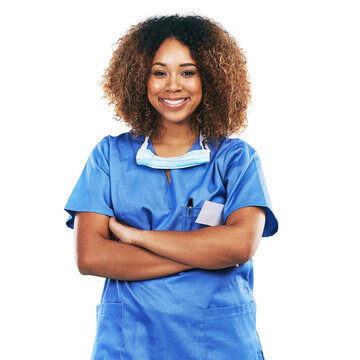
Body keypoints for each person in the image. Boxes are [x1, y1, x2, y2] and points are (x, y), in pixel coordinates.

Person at [65, 14, 278, 360]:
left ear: (211, 78)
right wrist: (203, 255)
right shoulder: (109, 156)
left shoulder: (236, 159)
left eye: (188, 72)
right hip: (129, 344)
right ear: (140, 79)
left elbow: (239, 245)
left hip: (219, 345)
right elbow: (91, 256)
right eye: (159, 72)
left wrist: (138, 237)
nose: (173, 85)